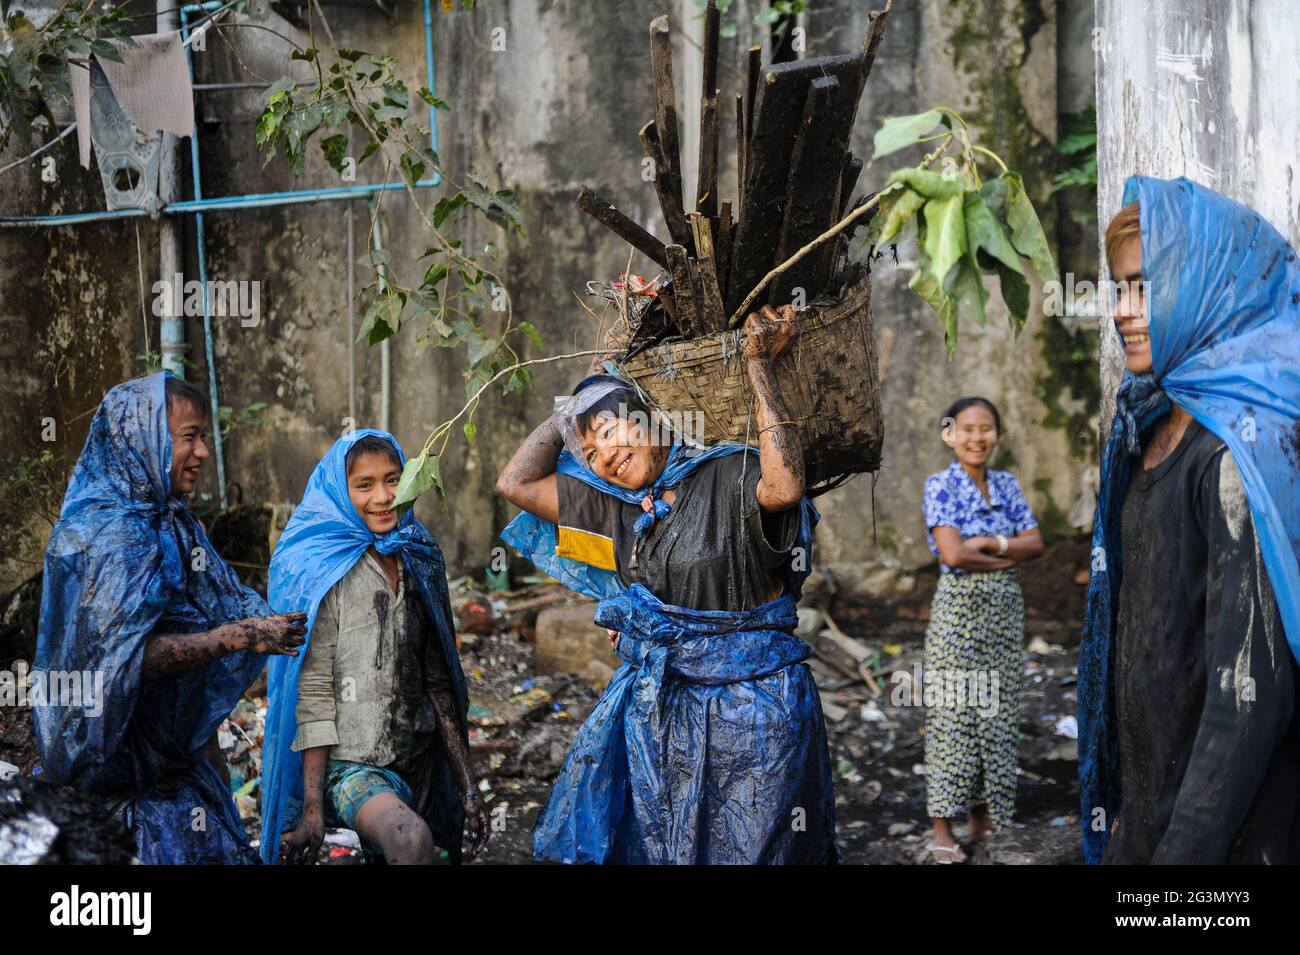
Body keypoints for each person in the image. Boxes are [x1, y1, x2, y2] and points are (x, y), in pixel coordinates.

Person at [496, 304, 839, 864]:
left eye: (611, 430)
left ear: (654, 418)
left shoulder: (728, 472)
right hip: (664, 716)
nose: (605, 454)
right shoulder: (616, 508)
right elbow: (516, 481)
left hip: (754, 714)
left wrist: (759, 367)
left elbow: (785, 489)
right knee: (669, 847)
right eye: (591, 451)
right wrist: (576, 403)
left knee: (756, 850)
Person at [1079, 176, 1300, 864]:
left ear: (1207, 288)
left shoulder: (1238, 455)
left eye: (1145, 287)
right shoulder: (1148, 427)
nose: (1124, 311)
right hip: (1152, 824)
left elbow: (1246, 699)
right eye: (1120, 289)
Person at [34, 373, 306, 864]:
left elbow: (213, 600)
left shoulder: (170, 520)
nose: (203, 452)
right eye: (189, 437)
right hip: (120, 786)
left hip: (176, 763)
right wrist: (240, 636)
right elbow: (124, 662)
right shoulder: (109, 537)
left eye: (204, 436)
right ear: (144, 439)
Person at [261, 430, 489, 864]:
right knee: (409, 840)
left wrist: (468, 786)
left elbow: (439, 682)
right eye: (364, 485)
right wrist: (312, 807)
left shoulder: (417, 556)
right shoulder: (325, 568)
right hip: (353, 767)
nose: (383, 497)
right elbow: (313, 691)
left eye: (393, 480)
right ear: (340, 492)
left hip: (417, 758)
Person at [920, 397, 1043, 863]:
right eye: (967, 429)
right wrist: (1010, 556)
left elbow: (1037, 543)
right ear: (950, 434)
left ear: (996, 434)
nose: (978, 438)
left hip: (1004, 615)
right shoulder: (941, 485)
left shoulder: (1006, 484)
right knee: (953, 716)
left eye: (986, 429)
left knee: (995, 713)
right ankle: (942, 828)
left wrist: (994, 543)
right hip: (958, 615)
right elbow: (952, 554)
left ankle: (981, 817)